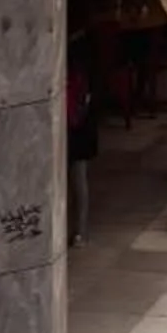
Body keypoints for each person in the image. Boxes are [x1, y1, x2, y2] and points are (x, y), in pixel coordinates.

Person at [65, 51, 97, 248]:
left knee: (77, 182)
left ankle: (79, 230)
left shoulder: (77, 74)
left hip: (75, 134)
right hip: (75, 132)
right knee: (77, 182)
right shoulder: (79, 71)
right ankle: (78, 230)